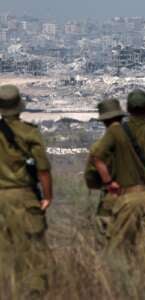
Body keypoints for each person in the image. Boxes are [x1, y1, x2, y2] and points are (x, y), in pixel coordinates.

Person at [90, 89, 145, 257]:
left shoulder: (116, 132)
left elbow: (96, 157)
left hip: (125, 198)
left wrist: (108, 183)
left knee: (120, 251)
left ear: (127, 110)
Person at [0, 85, 53, 298]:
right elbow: (43, 169)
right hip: (24, 197)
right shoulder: (29, 132)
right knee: (33, 254)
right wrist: (48, 196)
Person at [85, 98, 125, 249]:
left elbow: (90, 179)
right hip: (139, 199)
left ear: (104, 121)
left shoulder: (98, 147)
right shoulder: (136, 144)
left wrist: (106, 183)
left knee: (106, 245)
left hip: (110, 200)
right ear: (121, 118)